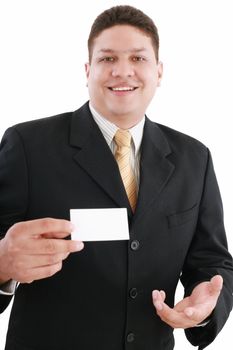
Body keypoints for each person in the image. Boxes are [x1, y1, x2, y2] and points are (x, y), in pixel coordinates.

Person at [0, 5, 232, 350]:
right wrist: (1, 266)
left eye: (138, 59)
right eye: (108, 59)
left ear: (159, 71)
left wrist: (203, 306)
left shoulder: (193, 158)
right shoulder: (27, 145)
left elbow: (212, 261)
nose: (123, 72)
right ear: (88, 69)